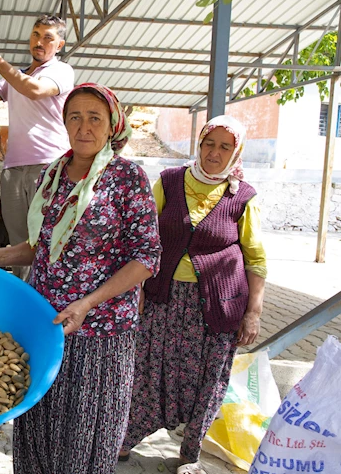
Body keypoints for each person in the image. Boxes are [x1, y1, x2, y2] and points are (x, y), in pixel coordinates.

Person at [0, 83, 161, 474]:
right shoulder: (51, 175)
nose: (84, 127)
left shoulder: (127, 178)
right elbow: (42, 246)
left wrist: (88, 303)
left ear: (112, 126)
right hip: (45, 322)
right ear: (64, 122)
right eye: (75, 117)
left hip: (99, 333)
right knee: (38, 428)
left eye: (94, 118)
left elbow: (147, 257)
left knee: (82, 438)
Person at [120, 115, 266, 474]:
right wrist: (135, 287)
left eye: (224, 147)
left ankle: (190, 454)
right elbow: (143, 236)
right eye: (209, 144)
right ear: (198, 145)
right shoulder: (169, 182)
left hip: (218, 304)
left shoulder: (243, 197)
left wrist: (254, 312)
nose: (215, 153)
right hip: (163, 296)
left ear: (237, 152)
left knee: (210, 377)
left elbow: (256, 258)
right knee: (147, 369)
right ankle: (124, 441)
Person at [0, 15, 75, 279]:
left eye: (48, 37)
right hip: (12, 169)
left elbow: (34, 90)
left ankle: (50, 298)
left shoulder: (60, 71)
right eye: (36, 34)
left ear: (59, 45)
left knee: (46, 237)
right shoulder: (18, 76)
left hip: (47, 168)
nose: (40, 42)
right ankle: (25, 301)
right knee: (18, 243)